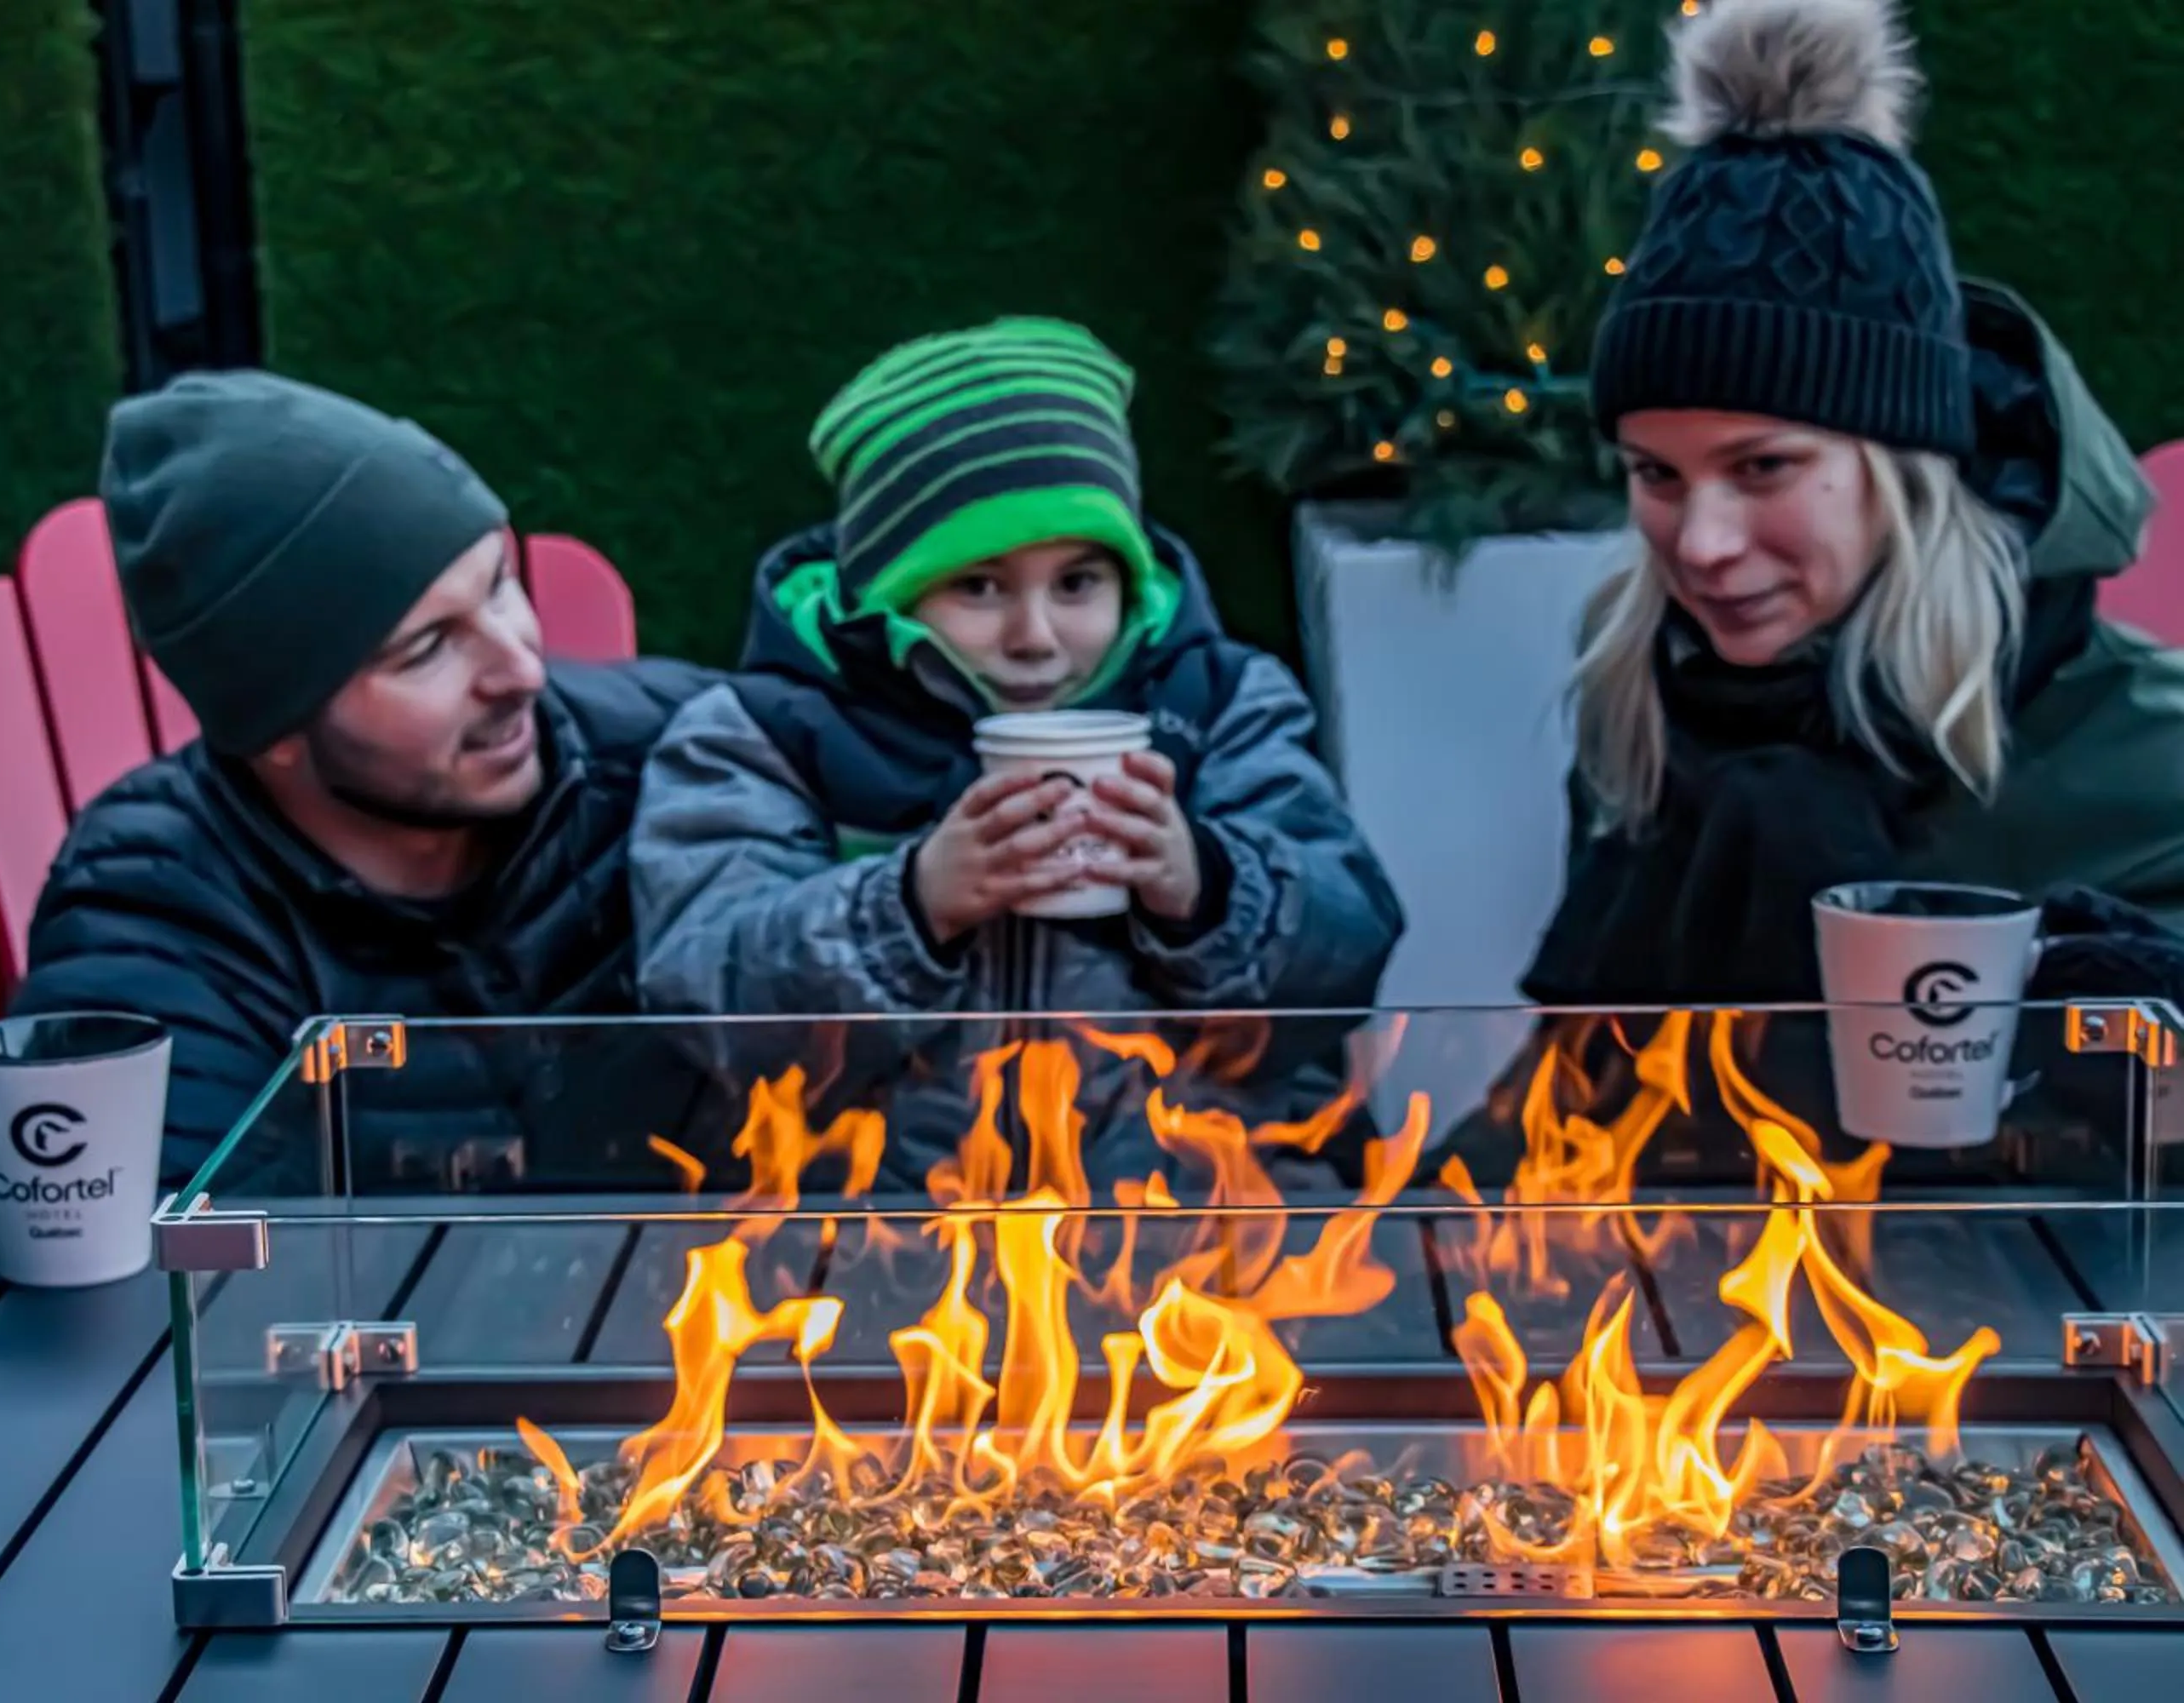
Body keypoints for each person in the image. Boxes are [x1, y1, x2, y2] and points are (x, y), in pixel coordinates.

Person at [629, 317, 1406, 1186]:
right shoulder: (762, 735)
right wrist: (910, 905)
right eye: (979, 586)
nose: (1035, 636)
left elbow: (1347, 952)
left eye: (1077, 582)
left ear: (1128, 580)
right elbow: (706, 997)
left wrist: (1207, 886)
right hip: (882, 1239)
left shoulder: (1221, 705)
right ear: (888, 592)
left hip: (1193, 1231)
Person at [1522, 0, 2184, 1013]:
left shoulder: (2147, 759)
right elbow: (1590, 1074)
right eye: (1657, 474)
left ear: (1906, 468)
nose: (1701, 544)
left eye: (1763, 467)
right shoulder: (1646, 702)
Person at [9, 371, 716, 1190]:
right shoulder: (155, 920)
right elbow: (175, 1250)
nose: (521, 669)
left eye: (499, 584)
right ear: (275, 727)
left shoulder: (683, 752)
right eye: (427, 649)